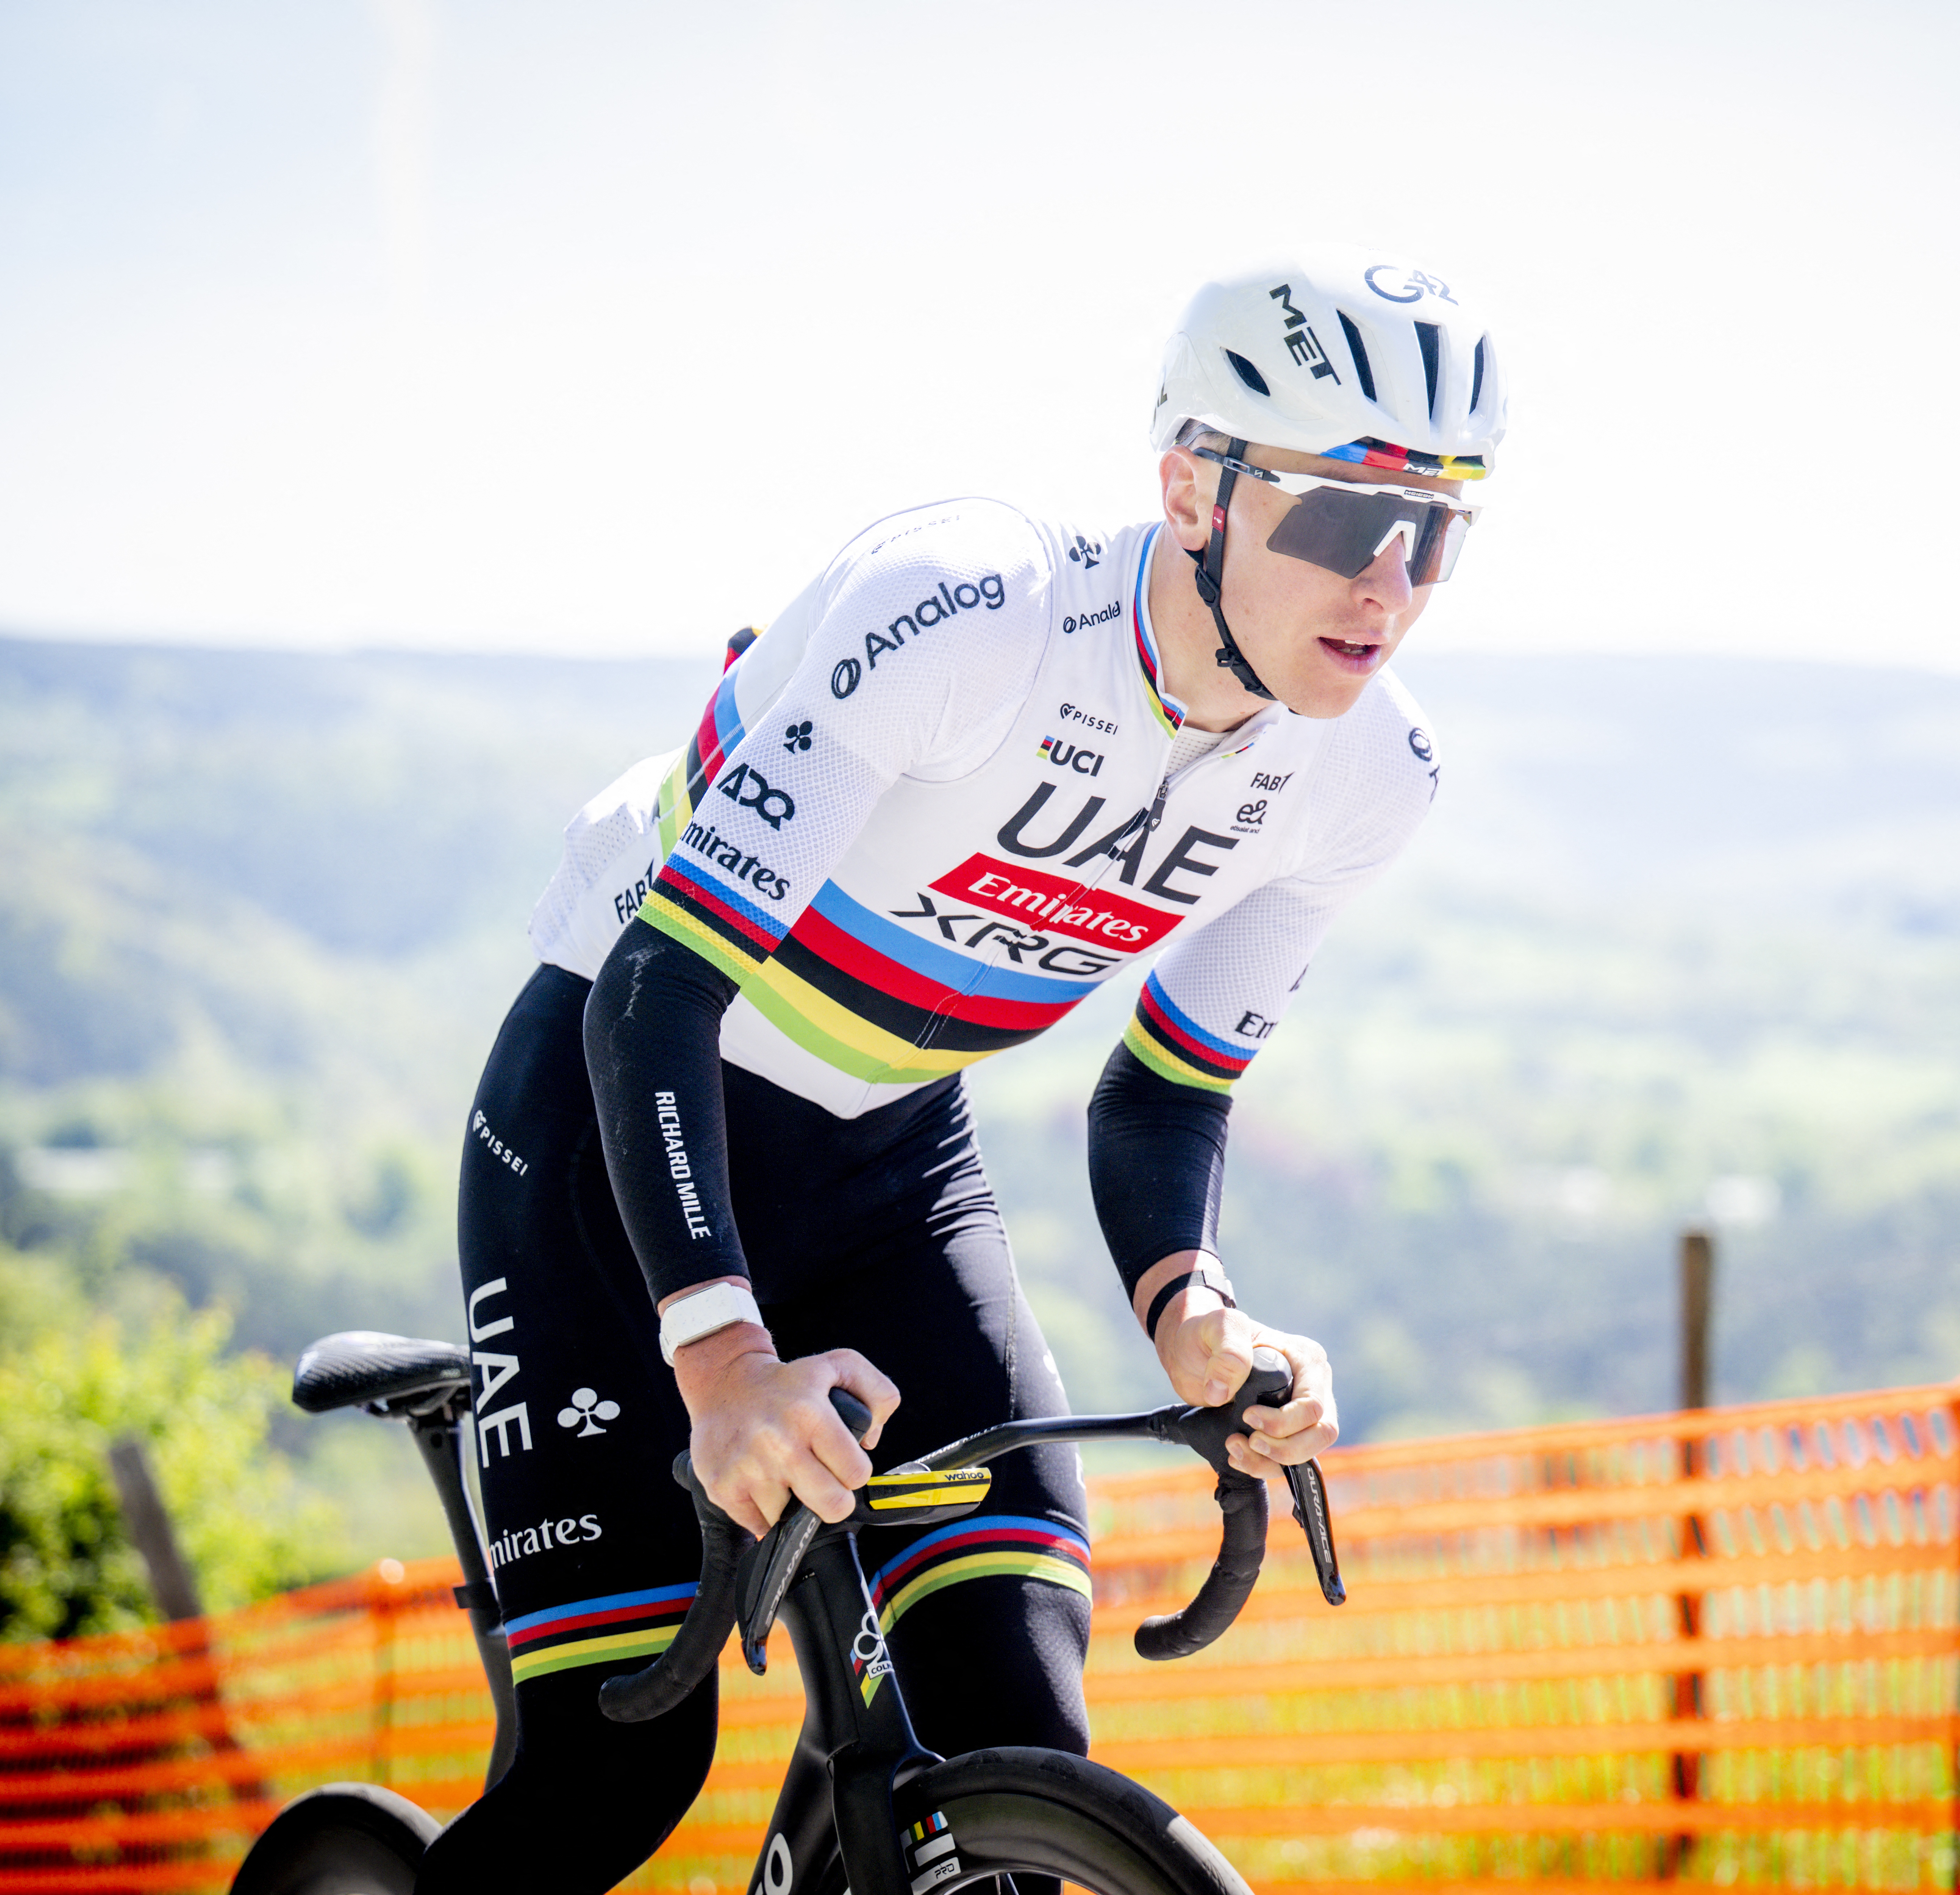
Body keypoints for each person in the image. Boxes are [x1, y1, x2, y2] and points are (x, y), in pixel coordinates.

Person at [420, 247, 1509, 1891]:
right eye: (1352, 519)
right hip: (613, 1127)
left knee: (1016, 1740)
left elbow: (1161, 1092)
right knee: (618, 1780)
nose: (1393, 583)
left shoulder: (1362, 771)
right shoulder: (971, 616)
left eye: (1440, 532)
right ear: (1193, 486)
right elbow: (653, 993)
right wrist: (717, 1366)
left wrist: (1194, 1311)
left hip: (884, 1164)